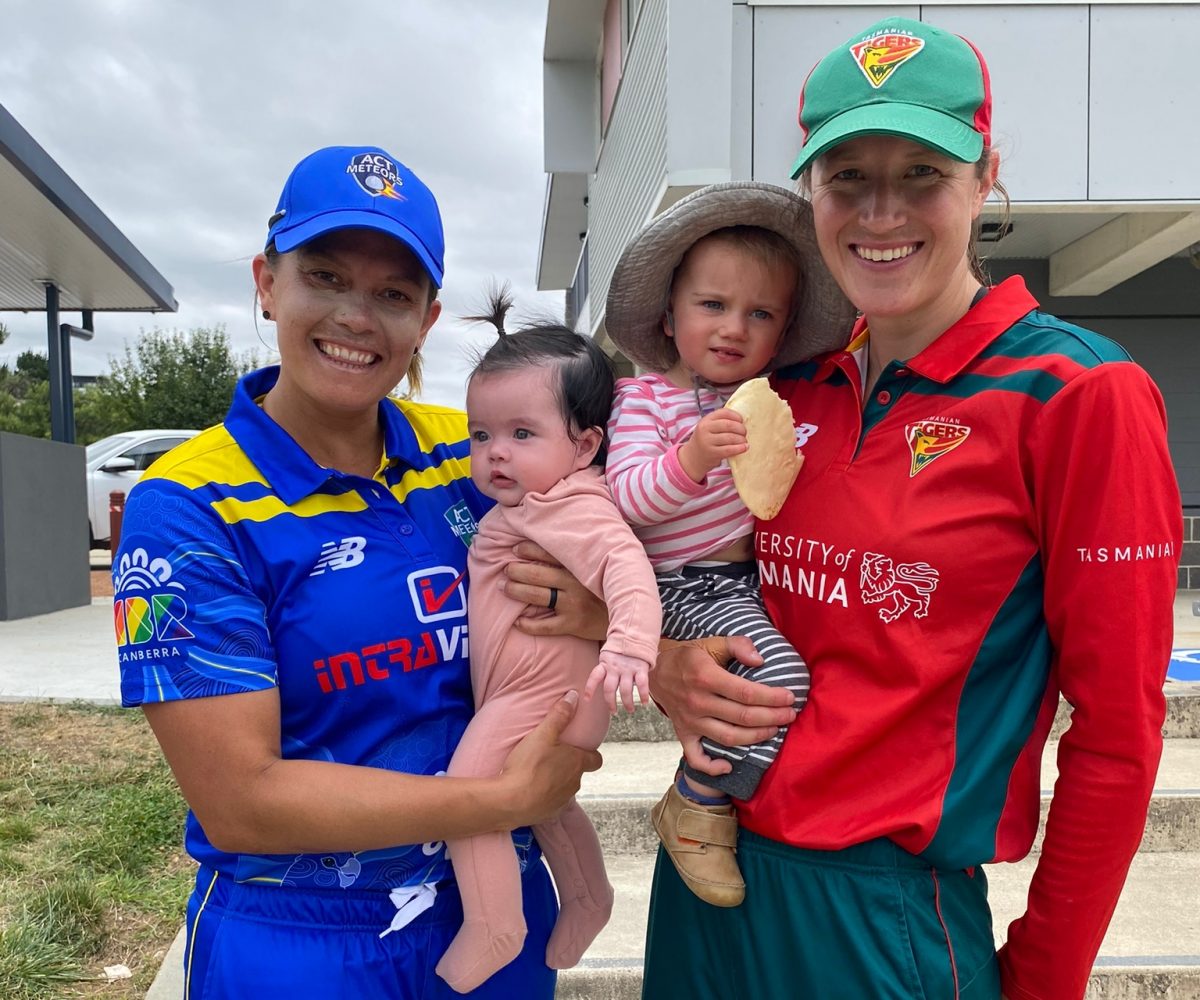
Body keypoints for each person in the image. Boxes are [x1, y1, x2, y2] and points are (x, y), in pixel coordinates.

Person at [639, 17, 1182, 1000]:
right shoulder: (780, 383)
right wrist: (665, 661)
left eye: (921, 173)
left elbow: (1117, 736)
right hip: (705, 871)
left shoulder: (1077, 393)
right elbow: (659, 556)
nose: (879, 213)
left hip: (883, 919)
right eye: (847, 176)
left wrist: (1043, 977)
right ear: (812, 193)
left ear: (985, 179)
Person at [112, 145, 605, 1000]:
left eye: (392, 294)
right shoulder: (187, 505)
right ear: (268, 282)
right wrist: (495, 803)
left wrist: (609, 623)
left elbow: (626, 528)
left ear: (428, 316)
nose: (357, 317)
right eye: (327, 276)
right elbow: (241, 798)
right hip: (299, 936)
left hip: (496, 907)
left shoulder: (472, 450)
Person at [602, 182, 853, 907]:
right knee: (778, 682)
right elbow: (630, 502)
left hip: (746, 585)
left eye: (760, 313)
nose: (733, 328)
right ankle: (698, 800)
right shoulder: (642, 400)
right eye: (713, 305)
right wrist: (692, 458)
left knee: (798, 674)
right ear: (670, 315)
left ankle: (714, 797)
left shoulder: (773, 401)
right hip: (679, 585)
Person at [435, 298, 662, 993]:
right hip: (542, 694)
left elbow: (626, 567)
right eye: (481, 434)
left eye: (522, 433)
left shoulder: (568, 504)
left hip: (544, 697)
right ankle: (590, 901)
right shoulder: (537, 501)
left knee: (470, 793)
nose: (495, 452)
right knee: (547, 806)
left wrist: (628, 645)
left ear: (586, 445)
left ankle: (496, 925)